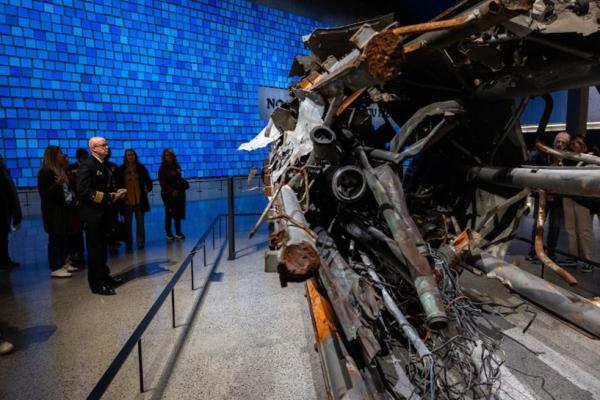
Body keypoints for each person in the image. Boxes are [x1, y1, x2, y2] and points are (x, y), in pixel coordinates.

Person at [77, 137, 127, 295]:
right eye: (103, 145)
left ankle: (104, 276)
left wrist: (116, 193)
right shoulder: (87, 165)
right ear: (93, 148)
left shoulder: (102, 164)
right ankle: (97, 283)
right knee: (95, 250)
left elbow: (105, 186)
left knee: (102, 248)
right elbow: (83, 191)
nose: (107, 147)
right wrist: (108, 197)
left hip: (103, 214)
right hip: (93, 215)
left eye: (107, 144)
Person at [526, 131, 570, 262]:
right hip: (542, 195)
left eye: (563, 143)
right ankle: (534, 250)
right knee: (538, 224)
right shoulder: (543, 154)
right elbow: (534, 172)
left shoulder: (567, 158)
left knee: (555, 226)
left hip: (557, 198)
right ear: (554, 141)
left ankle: (551, 252)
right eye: (558, 141)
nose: (560, 144)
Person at [38, 146, 79, 278]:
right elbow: (45, 194)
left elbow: (68, 189)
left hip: (64, 208)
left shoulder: (60, 169)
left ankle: (63, 262)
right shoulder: (46, 172)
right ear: (53, 155)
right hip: (54, 212)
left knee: (63, 237)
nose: (63, 155)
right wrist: (58, 184)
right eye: (60, 153)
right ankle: (55, 267)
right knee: (55, 238)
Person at [562, 136, 595, 272]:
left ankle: (589, 260)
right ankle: (573, 256)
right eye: (572, 144)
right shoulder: (570, 160)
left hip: (583, 200)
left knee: (584, 230)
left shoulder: (591, 159)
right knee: (570, 229)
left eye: (575, 144)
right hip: (568, 197)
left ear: (583, 146)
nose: (572, 146)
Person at [115, 149, 153, 250]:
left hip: (139, 199)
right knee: (127, 224)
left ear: (135, 156)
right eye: (128, 155)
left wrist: (148, 187)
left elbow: (148, 181)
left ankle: (140, 242)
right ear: (125, 157)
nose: (131, 156)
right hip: (127, 200)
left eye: (132, 155)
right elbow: (118, 184)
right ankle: (129, 242)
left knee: (140, 223)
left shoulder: (141, 168)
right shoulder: (121, 169)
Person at [158, 148, 187, 241]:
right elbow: (162, 182)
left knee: (177, 213)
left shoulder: (176, 166)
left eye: (170, 155)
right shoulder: (162, 167)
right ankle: (169, 233)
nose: (169, 157)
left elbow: (178, 178)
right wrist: (171, 190)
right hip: (167, 194)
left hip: (178, 193)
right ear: (164, 157)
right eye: (167, 155)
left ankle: (178, 232)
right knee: (169, 213)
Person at [66, 149, 87, 266]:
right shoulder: (71, 168)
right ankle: (75, 254)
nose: (84, 158)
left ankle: (81, 252)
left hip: (86, 202)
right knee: (76, 231)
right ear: (78, 158)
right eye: (83, 157)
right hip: (75, 203)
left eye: (86, 156)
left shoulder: (89, 167)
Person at [0, 154, 22, 269]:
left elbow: (10, 193)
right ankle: (3, 260)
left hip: (5, 210)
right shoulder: (3, 173)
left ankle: (5, 259)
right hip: (3, 210)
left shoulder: (4, 173)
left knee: (4, 237)